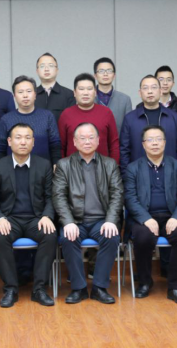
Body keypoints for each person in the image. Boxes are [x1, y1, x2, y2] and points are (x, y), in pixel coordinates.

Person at [53, 123, 123, 305]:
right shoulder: (64, 165)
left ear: (98, 141)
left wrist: (111, 220)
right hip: (76, 221)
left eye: (91, 137)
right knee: (68, 238)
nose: (87, 141)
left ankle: (99, 287)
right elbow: (59, 196)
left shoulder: (109, 164)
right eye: (82, 138)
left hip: (102, 220)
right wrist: (68, 222)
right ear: (74, 142)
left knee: (111, 237)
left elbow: (117, 194)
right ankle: (79, 288)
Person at [0, 123, 57, 308]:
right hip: (10, 219)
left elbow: (51, 197)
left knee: (50, 235)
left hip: (36, 218)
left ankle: (39, 289)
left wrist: (47, 216)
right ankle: (11, 289)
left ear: (33, 142)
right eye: (18, 138)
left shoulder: (43, 165)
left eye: (27, 138)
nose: (23, 142)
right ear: (9, 141)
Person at [124, 125, 177, 304]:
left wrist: (176, 217)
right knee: (142, 237)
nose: (154, 143)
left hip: (172, 215)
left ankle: (175, 287)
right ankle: (145, 282)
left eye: (158, 139)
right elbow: (130, 198)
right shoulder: (132, 168)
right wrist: (146, 218)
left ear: (165, 142)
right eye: (150, 140)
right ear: (143, 144)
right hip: (145, 217)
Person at [120, 75, 177, 171]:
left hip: (170, 173)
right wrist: (127, 175)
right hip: (139, 174)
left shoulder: (173, 116)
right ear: (140, 93)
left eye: (154, 87)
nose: (150, 91)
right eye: (145, 88)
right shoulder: (130, 118)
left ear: (160, 91)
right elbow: (124, 151)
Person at [0, 76, 61, 165]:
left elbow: (55, 145)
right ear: (14, 96)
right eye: (20, 92)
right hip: (13, 169)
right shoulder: (6, 119)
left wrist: (55, 164)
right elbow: (0, 149)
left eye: (29, 91)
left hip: (43, 169)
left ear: (35, 94)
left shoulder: (47, 116)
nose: (25, 95)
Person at [58, 73, 119, 163]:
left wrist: (114, 166)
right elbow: (60, 146)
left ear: (95, 92)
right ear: (74, 93)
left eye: (89, 89)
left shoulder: (106, 113)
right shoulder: (66, 114)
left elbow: (114, 144)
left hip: (102, 167)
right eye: (81, 89)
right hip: (72, 168)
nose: (85, 93)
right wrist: (63, 168)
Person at [93, 57, 133, 134]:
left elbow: (128, 128)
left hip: (118, 141)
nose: (105, 74)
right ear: (95, 75)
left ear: (114, 75)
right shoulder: (88, 97)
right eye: (101, 71)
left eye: (109, 71)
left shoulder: (125, 100)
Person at [34, 52, 76, 123]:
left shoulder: (69, 94)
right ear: (37, 71)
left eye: (51, 66)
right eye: (42, 66)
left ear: (57, 70)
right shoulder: (32, 94)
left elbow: (71, 122)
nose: (46, 69)